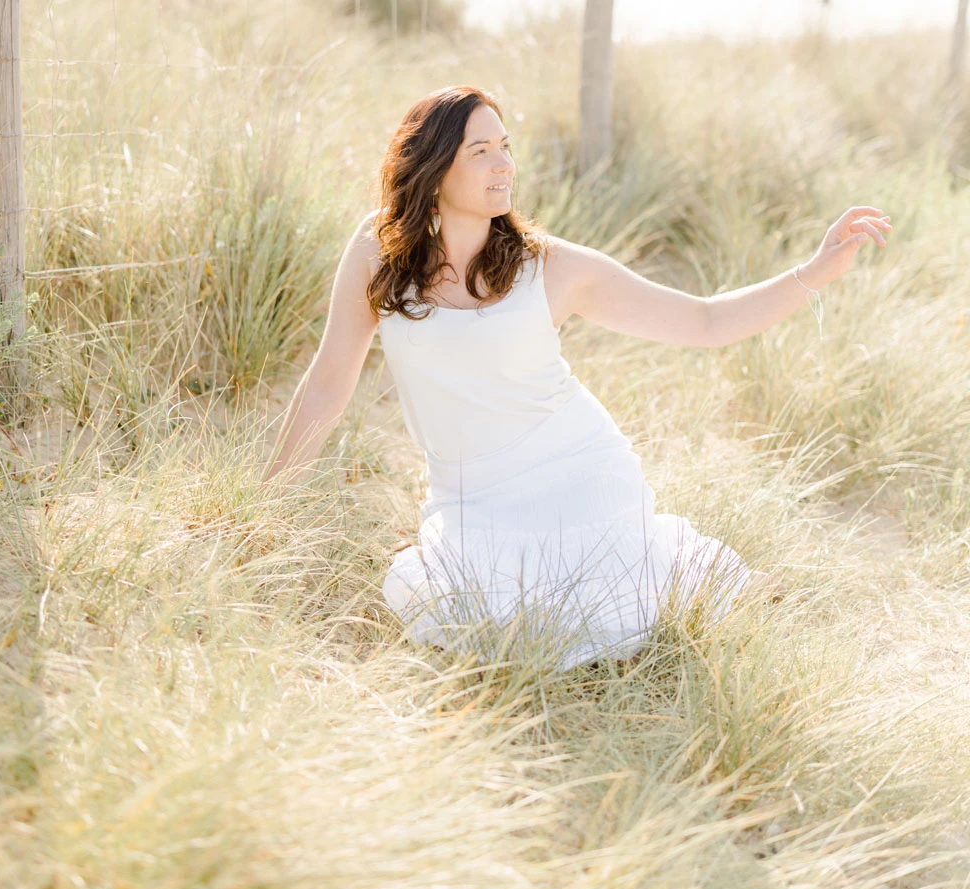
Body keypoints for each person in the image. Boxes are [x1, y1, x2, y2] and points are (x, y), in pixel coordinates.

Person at [263, 85, 891, 671]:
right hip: (469, 498)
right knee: (471, 616)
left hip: (576, 471)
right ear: (431, 169)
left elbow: (704, 321)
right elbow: (328, 383)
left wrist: (813, 272)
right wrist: (263, 508)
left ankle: (721, 585)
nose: (502, 165)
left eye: (505, 148)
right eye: (480, 152)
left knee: (596, 613)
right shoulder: (379, 252)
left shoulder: (551, 268)